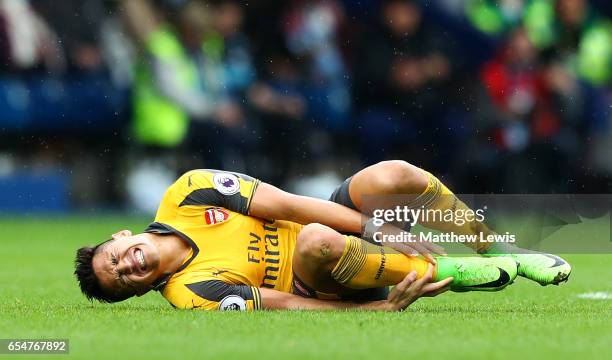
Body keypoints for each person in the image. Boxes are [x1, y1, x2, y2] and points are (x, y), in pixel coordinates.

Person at [75, 160, 571, 310]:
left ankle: (501, 249)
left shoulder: (190, 193)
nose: (127, 265)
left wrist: (376, 224)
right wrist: (374, 311)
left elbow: (289, 203)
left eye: (115, 257)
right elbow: (287, 306)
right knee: (314, 240)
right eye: (122, 279)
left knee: (391, 176)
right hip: (325, 274)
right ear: (138, 289)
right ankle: (460, 272)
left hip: (330, 220)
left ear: (121, 234)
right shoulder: (191, 294)